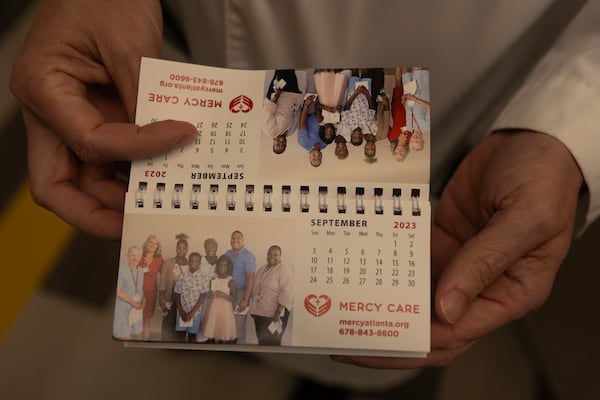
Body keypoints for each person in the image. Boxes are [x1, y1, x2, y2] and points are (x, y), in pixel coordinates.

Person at [9, 0, 600, 393]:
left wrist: (569, 122)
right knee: (179, 269)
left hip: (450, 87)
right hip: (183, 59)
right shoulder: (215, 258)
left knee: (363, 339)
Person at [249, 245, 293, 346]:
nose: (272, 256)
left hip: (276, 314)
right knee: (262, 340)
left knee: (274, 341)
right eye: (270, 254)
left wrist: (277, 313)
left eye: (275, 254)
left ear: (280, 256)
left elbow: (286, 292)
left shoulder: (284, 269)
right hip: (260, 312)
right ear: (267, 255)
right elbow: (256, 290)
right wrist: (254, 309)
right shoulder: (261, 268)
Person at [224, 231, 256, 344]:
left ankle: (240, 354)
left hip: (241, 294)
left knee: (239, 327)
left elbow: (250, 279)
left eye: (238, 238)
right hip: (227, 295)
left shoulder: (248, 256)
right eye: (233, 238)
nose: (235, 240)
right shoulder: (227, 254)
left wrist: (245, 300)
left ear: (243, 241)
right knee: (227, 327)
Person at [263, 69, 304, 154]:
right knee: (291, 71)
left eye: (278, 145)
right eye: (283, 145)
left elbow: (269, 109)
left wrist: (278, 93)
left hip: (279, 92)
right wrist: (299, 99)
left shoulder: (270, 131)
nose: (281, 143)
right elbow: (297, 113)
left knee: (281, 69)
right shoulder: (291, 132)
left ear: (273, 142)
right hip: (293, 94)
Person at [158, 233, 189, 341]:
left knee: (181, 322)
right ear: (176, 249)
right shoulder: (168, 262)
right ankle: (165, 342)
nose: (181, 250)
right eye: (179, 248)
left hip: (184, 299)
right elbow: (162, 282)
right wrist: (161, 298)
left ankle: (179, 343)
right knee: (168, 321)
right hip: (170, 296)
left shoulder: (190, 264)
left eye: (184, 248)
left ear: (187, 250)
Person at [200, 255, 238, 344]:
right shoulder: (214, 278)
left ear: (229, 267)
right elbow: (210, 294)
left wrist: (223, 295)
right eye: (220, 265)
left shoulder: (231, 281)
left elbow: (234, 298)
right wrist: (210, 294)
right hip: (213, 310)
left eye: (225, 265)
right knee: (212, 330)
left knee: (223, 332)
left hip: (225, 311)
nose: (222, 267)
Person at [173, 252, 207, 342]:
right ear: (188, 262)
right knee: (180, 336)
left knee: (192, 337)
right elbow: (177, 293)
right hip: (182, 312)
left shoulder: (203, 277)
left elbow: (203, 296)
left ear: (199, 263)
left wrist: (192, 312)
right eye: (191, 261)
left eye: (196, 261)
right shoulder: (182, 276)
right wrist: (180, 311)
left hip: (195, 313)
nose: (193, 263)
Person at [113, 245, 145, 340]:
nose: (136, 258)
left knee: (138, 335)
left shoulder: (141, 271)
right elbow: (118, 292)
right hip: (124, 308)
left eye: (138, 256)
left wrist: (144, 300)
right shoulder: (121, 270)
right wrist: (132, 302)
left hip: (136, 309)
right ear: (128, 256)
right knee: (126, 337)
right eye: (133, 255)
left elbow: (140, 289)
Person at [139, 234, 164, 340]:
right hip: (137, 292)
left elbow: (164, 274)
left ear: (158, 246)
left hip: (150, 293)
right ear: (146, 243)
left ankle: (145, 341)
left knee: (147, 318)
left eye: (155, 243)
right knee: (135, 319)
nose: (152, 245)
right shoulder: (139, 255)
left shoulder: (159, 259)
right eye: (150, 242)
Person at [297, 95, 329, 167]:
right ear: (322, 157)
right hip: (324, 109)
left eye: (314, 159)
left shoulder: (303, 143)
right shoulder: (325, 144)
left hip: (311, 109)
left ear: (309, 157)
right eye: (319, 159)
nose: (317, 157)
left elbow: (302, 122)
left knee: (313, 85)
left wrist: (306, 105)